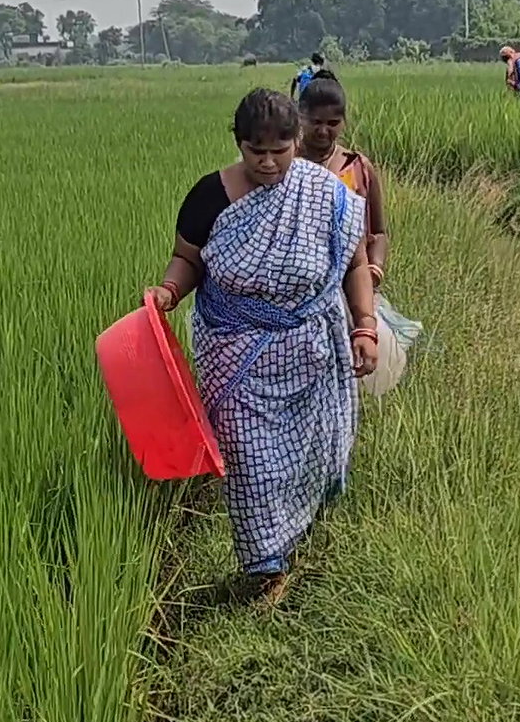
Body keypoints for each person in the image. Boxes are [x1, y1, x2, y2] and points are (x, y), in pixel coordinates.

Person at [147, 88, 378, 604]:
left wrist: (363, 324)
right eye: (257, 152)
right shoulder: (209, 196)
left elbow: (354, 262)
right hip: (235, 355)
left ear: (297, 141)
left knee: (309, 455)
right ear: (239, 144)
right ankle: (265, 568)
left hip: (312, 351)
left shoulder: (325, 193)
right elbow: (187, 260)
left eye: (281, 150)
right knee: (251, 464)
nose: (269, 163)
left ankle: (301, 540)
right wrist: (168, 291)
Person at [297, 71, 425, 395]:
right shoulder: (284, 165)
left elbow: (378, 232)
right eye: (316, 122)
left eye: (333, 122)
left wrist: (372, 271)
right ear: (300, 118)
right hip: (301, 289)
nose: (324, 130)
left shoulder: (358, 168)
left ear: (345, 122)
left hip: (353, 284)